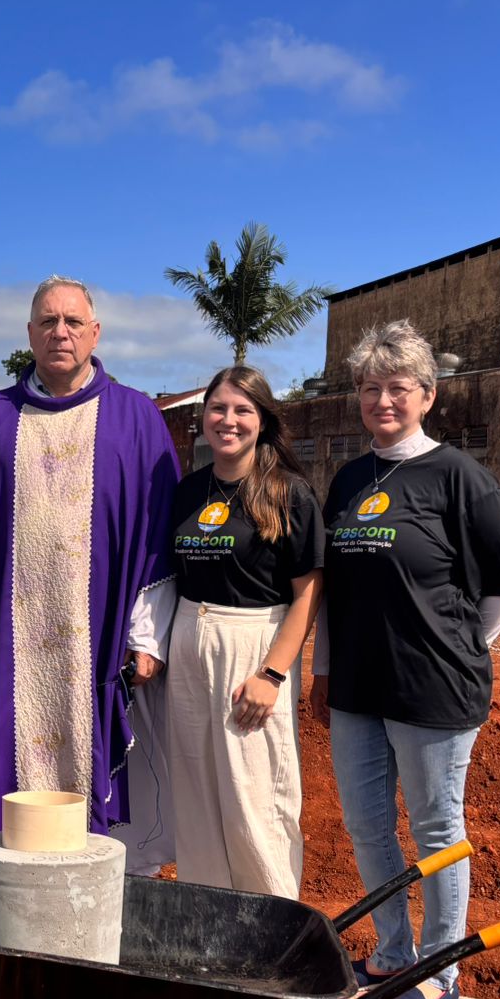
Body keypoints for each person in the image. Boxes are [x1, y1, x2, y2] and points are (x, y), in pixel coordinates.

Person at [307, 319, 500, 999]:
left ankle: (440, 965)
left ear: (427, 395)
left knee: (436, 828)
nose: (383, 402)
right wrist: (325, 672)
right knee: (368, 827)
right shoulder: (348, 479)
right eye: (370, 389)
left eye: (398, 388)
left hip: (433, 689)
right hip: (358, 690)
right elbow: (333, 590)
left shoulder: (461, 477)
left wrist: (464, 646)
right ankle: (394, 951)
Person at [0, 275, 180, 842]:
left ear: (95, 333)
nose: (60, 332)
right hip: (14, 642)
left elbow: (156, 533)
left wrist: (146, 636)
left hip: (99, 636)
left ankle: (97, 891)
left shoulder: (137, 418)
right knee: (11, 782)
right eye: (48, 322)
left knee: (102, 794)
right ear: (29, 334)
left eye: (72, 322)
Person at [166, 366, 323, 898]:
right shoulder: (187, 490)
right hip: (189, 642)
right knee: (197, 793)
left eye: (242, 410)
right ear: (203, 418)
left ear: (263, 420)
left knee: (254, 795)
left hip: (254, 647)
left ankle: (272, 925)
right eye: (218, 409)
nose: (227, 420)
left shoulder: (289, 494)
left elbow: (306, 594)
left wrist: (273, 674)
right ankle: (207, 920)